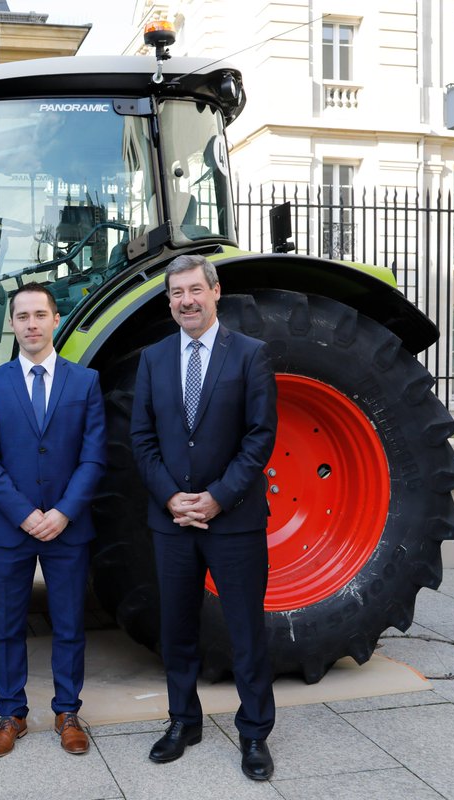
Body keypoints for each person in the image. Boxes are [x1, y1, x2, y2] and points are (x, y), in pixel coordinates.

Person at [129, 254, 278, 781]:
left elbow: (259, 439)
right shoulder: (153, 358)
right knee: (177, 629)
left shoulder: (251, 356)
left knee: (244, 630)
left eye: (195, 289)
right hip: (171, 521)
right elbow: (142, 440)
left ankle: (255, 732)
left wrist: (217, 497)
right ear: (168, 301)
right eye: (177, 293)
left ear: (216, 291)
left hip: (232, 519)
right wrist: (171, 497)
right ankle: (182, 721)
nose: (186, 300)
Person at [0, 283, 106, 758]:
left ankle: (68, 712)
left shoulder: (84, 383)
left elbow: (93, 458)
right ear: (12, 323)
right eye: (22, 316)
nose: (31, 324)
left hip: (68, 528)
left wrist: (63, 512)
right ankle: (11, 713)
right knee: (7, 625)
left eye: (39, 315)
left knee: (69, 623)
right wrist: (28, 515)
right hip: (11, 528)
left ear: (55, 320)